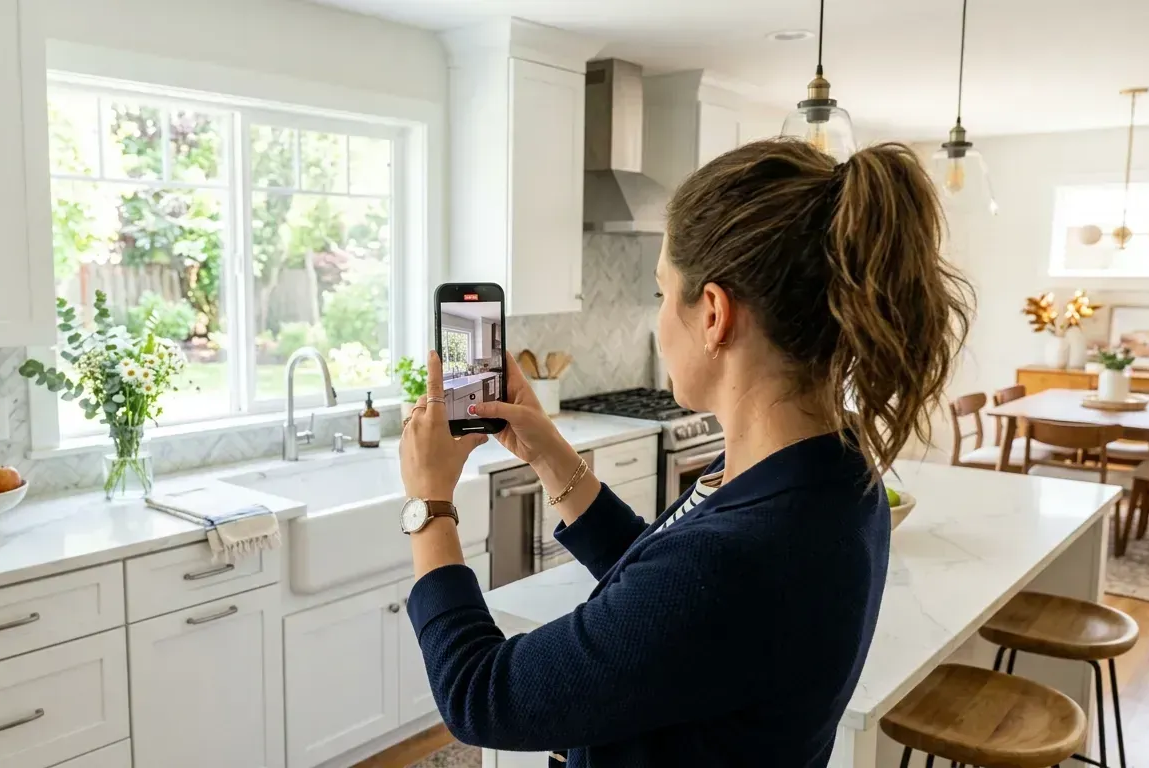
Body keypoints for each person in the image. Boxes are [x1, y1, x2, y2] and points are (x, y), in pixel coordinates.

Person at [397, 139, 973, 767]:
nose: (659, 317)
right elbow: (663, 589)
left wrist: (430, 505)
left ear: (715, 314)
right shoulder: (832, 471)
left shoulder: (738, 557)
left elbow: (479, 695)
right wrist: (548, 451)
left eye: (661, 292)